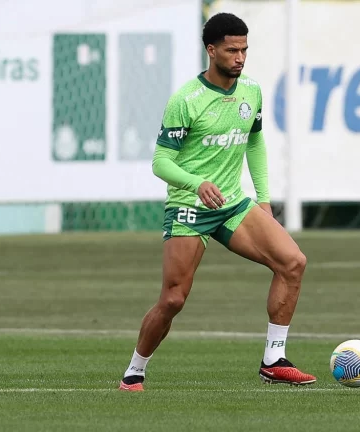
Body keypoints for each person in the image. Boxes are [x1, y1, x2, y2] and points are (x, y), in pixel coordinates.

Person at [119, 12, 314, 392]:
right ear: (211, 50)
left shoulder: (251, 92)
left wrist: (263, 199)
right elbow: (160, 162)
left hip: (233, 205)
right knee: (173, 299)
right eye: (231, 50)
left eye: (244, 49)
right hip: (190, 209)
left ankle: (274, 360)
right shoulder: (186, 100)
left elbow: (254, 141)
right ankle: (134, 371)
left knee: (293, 263)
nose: (240, 57)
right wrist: (197, 183)